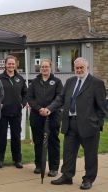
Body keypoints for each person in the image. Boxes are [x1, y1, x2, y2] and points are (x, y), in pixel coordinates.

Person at [47, 57, 106, 190]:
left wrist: (97, 124)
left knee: (90, 155)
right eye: (77, 68)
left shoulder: (96, 83)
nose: (79, 70)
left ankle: (88, 179)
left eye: (81, 68)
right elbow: (60, 99)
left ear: (87, 68)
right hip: (70, 124)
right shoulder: (70, 81)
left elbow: (102, 108)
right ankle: (67, 176)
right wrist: (49, 108)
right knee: (68, 152)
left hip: (89, 126)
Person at [26, 59, 62, 177]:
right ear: (40, 68)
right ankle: (39, 165)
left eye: (46, 67)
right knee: (38, 142)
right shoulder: (34, 82)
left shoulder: (57, 82)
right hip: (37, 116)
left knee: (52, 142)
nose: (44, 69)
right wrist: (39, 109)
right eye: (42, 67)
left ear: (51, 68)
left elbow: (59, 98)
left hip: (52, 116)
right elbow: (29, 98)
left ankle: (53, 168)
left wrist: (49, 109)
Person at [0, 55, 27, 169]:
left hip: (16, 113)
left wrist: (22, 104)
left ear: (16, 64)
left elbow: (26, 94)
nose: (11, 65)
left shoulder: (20, 78)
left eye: (13, 63)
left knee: (16, 137)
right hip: (3, 113)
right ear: (5, 64)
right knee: (2, 137)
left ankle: (17, 159)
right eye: (9, 63)